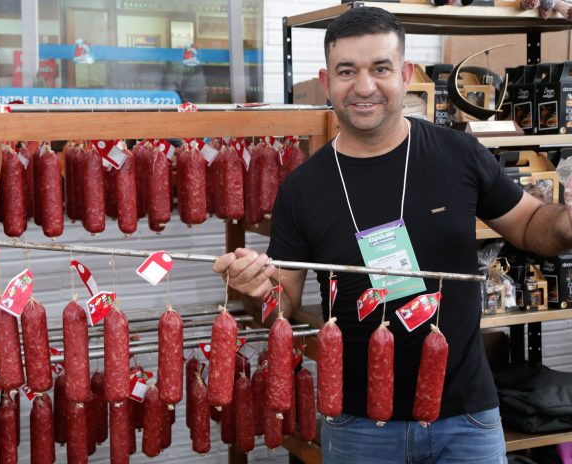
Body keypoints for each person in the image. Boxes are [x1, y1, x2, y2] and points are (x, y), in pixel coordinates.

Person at [213, 6, 572, 464]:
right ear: (327, 82)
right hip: (358, 424)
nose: (364, 86)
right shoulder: (302, 188)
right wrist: (256, 289)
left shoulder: (458, 154)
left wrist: (566, 222)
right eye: (347, 71)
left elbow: (529, 224)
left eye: (380, 68)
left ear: (404, 75)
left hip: (466, 416)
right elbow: (281, 301)